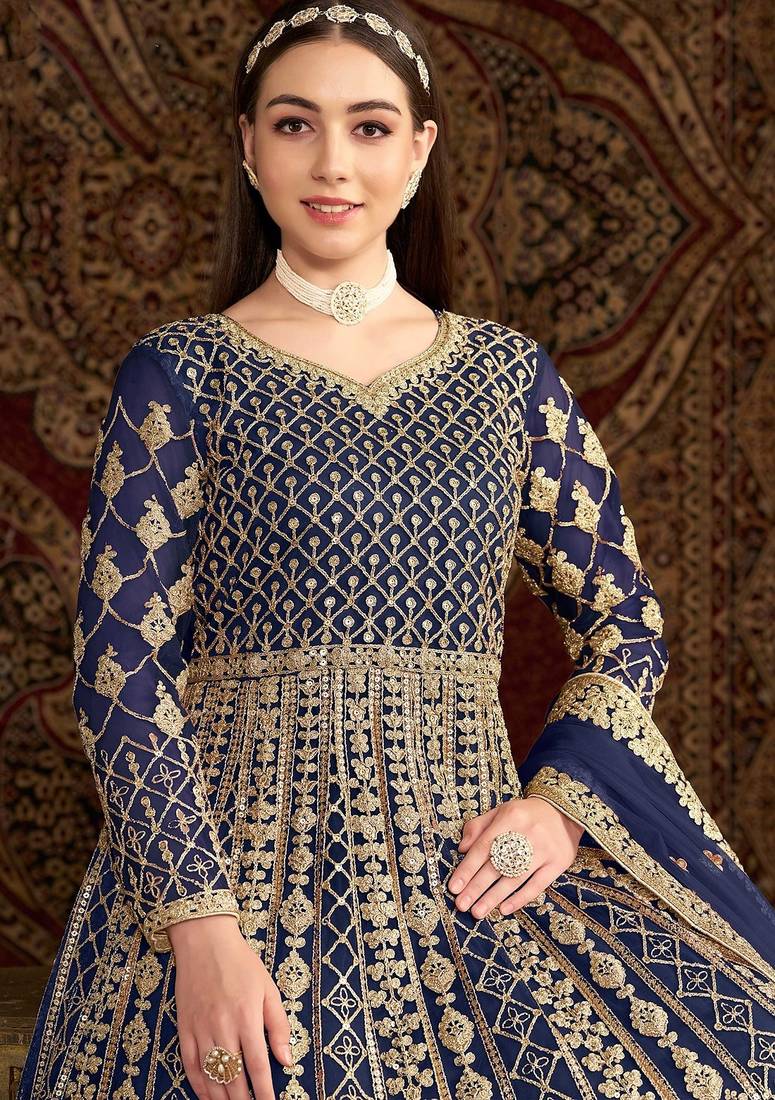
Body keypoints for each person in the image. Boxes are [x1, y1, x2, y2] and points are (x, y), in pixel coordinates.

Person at [17, 2, 775, 1098]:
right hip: (226, 890)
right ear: (247, 145)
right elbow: (121, 672)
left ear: (418, 151)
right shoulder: (180, 374)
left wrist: (557, 808)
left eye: (369, 126)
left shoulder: (507, 379)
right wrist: (201, 933)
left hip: (467, 873)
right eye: (295, 124)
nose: (332, 162)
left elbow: (627, 622)